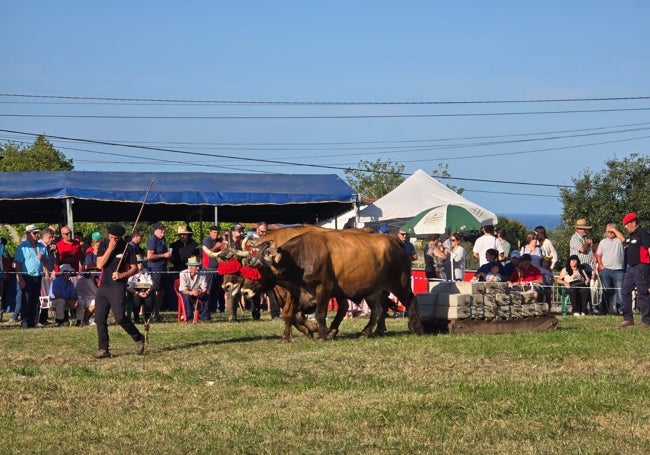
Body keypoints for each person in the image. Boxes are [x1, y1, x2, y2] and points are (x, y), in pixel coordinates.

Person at [94, 223, 145, 359]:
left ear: (120, 237)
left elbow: (135, 268)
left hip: (118, 286)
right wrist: (110, 250)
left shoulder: (128, 247)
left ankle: (138, 337)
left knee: (120, 317)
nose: (113, 240)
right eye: (111, 237)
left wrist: (121, 275)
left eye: (116, 239)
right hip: (103, 286)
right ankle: (103, 349)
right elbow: (99, 264)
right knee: (99, 318)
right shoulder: (104, 244)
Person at [618, 213, 650, 328]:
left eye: (626, 224)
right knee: (625, 291)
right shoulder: (632, 235)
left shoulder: (643, 233)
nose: (625, 227)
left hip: (642, 266)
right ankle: (628, 319)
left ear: (632, 223)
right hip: (631, 268)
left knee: (642, 293)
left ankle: (646, 320)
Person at [14, 224, 49, 329]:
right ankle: (24, 321)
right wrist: (20, 279)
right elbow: (18, 264)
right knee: (26, 300)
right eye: (34, 233)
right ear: (28, 234)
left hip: (38, 276)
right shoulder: (22, 247)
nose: (36, 235)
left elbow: (47, 261)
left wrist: (42, 258)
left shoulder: (42, 247)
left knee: (35, 300)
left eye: (37, 233)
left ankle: (34, 322)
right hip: (26, 276)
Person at [596, 223, 625, 315]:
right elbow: (599, 255)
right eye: (609, 231)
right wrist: (601, 266)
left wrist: (614, 229)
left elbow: (623, 239)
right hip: (606, 270)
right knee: (606, 291)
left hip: (619, 270)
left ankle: (620, 310)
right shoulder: (603, 242)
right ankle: (604, 310)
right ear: (606, 232)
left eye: (612, 231)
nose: (611, 233)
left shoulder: (619, 240)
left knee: (619, 291)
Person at [146, 222, 171, 322]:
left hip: (163, 268)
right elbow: (149, 256)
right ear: (155, 230)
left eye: (164, 229)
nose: (163, 231)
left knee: (162, 291)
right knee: (156, 291)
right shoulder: (152, 240)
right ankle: (152, 313)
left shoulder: (163, 240)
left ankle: (157, 312)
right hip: (155, 269)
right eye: (161, 230)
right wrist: (163, 256)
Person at [178, 256, 209, 322]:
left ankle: (205, 317)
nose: (198, 268)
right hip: (186, 292)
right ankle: (189, 317)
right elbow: (184, 289)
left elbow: (205, 287)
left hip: (198, 291)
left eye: (198, 266)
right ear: (190, 267)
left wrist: (201, 292)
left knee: (206, 296)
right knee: (187, 297)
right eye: (196, 266)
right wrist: (191, 293)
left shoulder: (202, 274)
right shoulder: (183, 273)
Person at [201, 225, 225, 313]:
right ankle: (206, 309)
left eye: (217, 232)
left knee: (217, 290)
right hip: (208, 269)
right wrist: (216, 246)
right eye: (214, 232)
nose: (216, 234)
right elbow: (208, 252)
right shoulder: (207, 240)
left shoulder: (220, 240)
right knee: (208, 290)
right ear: (210, 232)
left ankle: (213, 308)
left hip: (218, 269)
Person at [126, 254, 154, 324]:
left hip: (146, 291)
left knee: (149, 299)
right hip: (135, 292)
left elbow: (151, 284)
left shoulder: (146, 272)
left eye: (141, 262)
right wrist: (138, 293)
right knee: (136, 299)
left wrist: (147, 292)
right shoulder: (131, 272)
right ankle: (136, 319)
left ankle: (147, 319)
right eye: (138, 262)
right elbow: (129, 287)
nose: (140, 264)